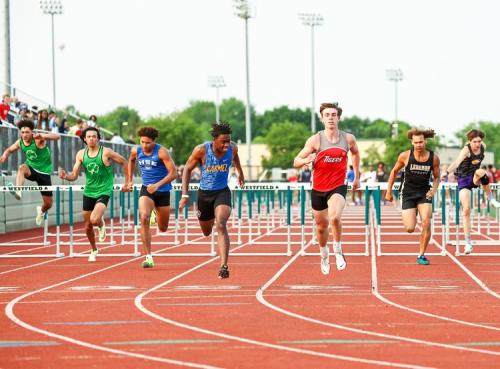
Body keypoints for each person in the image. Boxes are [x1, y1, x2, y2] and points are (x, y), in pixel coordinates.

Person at [293, 102, 360, 276]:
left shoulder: (348, 139)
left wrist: (357, 176)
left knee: (335, 217)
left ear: (339, 117)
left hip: (338, 186)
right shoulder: (315, 140)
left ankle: (338, 251)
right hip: (318, 188)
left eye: (333, 115)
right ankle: (324, 255)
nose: (331, 118)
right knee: (321, 227)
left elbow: (355, 153)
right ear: (322, 119)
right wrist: (306, 161)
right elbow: (296, 161)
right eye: (327, 115)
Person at [179, 121, 245, 279]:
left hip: (222, 192)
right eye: (223, 141)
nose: (227, 145)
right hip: (204, 195)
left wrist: (241, 174)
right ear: (214, 140)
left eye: (229, 141)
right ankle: (207, 220)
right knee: (206, 231)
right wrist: (185, 194)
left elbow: (236, 159)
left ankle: (224, 266)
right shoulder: (201, 150)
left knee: (221, 224)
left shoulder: (233, 148)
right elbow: (187, 169)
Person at [59, 127, 130, 262]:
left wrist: (128, 182)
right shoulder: (81, 154)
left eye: (94, 136)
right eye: (89, 136)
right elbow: (74, 175)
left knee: (94, 219)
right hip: (89, 191)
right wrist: (66, 176)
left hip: (104, 190)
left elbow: (124, 162)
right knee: (87, 226)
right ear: (84, 139)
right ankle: (93, 249)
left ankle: (101, 223)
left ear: (98, 138)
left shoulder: (106, 152)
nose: (91, 138)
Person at [385, 128, 441, 265]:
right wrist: (388, 191)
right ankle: (412, 211)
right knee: (410, 228)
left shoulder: (433, 158)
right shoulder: (405, 156)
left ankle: (421, 255)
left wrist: (433, 190)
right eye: (416, 143)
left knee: (426, 222)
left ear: (425, 141)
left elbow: (437, 177)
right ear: (412, 142)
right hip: (408, 193)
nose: (419, 145)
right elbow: (393, 171)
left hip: (424, 193)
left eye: (421, 142)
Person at [442, 129, 500, 254]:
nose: (477, 144)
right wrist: (446, 172)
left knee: (481, 172)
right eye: (475, 142)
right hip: (463, 180)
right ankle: (468, 243)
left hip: (474, 177)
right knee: (466, 210)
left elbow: (480, 155)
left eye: (479, 141)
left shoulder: (483, 147)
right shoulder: (466, 150)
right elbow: (456, 163)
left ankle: (491, 198)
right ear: (469, 141)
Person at [126, 127, 177, 268]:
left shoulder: (161, 152)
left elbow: (174, 173)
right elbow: (130, 161)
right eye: (142, 142)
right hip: (146, 189)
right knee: (143, 217)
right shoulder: (136, 150)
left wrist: (158, 185)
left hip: (162, 190)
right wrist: (129, 180)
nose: (144, 145)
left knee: (163, 227)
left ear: (154, 141)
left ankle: (155, 212)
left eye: (148, 143)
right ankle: (148, 257)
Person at [0, 119, 60, 225]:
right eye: (22, 132)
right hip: (31, 169)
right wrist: (4, 155)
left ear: (32, 131)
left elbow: (57, 137)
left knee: (48, 204)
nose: (24, 135)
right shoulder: (20, 142)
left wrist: (43, 136)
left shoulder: (37, 139)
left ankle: (41, 211)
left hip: (44, 172)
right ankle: (18, 190)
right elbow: (9, 150)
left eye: (27, 132)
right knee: (22, 168)